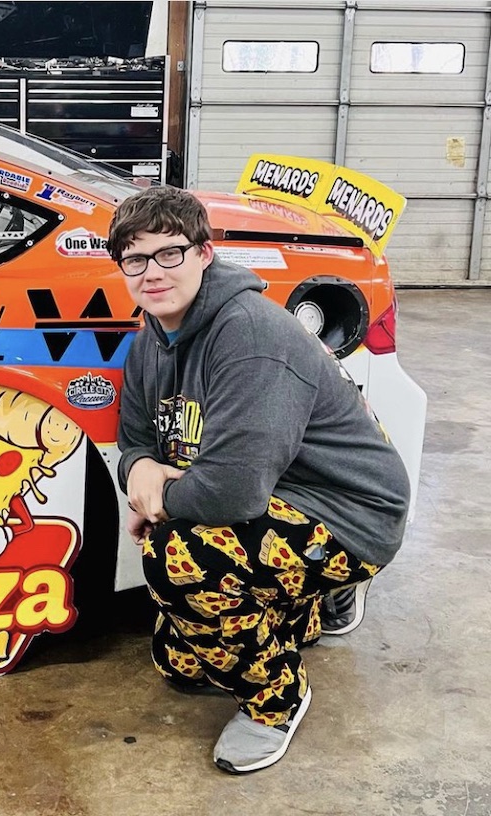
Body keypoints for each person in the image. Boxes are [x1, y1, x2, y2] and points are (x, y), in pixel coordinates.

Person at [111, 186, 410, 774]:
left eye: (169, 253)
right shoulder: (153, 336)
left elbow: (232, 493)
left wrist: (160, 500)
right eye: (134, 259)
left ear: (204, 254)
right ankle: (320, 603)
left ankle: (277, 700)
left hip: (351, 512)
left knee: (179, 560)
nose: (151, 272)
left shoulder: (249, 335)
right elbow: (135, 437)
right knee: (181, 667)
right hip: (279, 497)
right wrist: (140, 469)